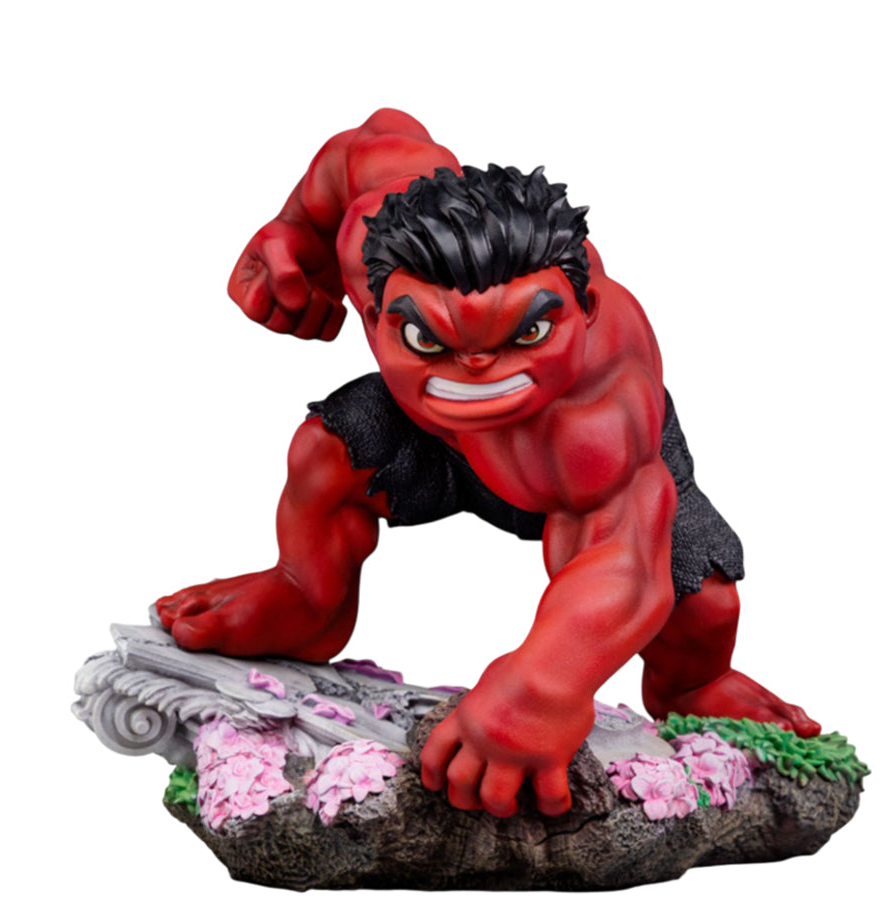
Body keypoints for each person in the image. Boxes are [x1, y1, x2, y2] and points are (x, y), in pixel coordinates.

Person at [157, 109, 818, 819]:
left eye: (526, 332)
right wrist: (293, 232)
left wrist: (539, 690)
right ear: (373, 308)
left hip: (582, 472)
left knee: (702, 601)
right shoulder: (371, 220)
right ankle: (305, 594)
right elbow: (362, 144)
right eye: (430, 339)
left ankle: (692, 686)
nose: (478, 369)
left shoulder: (600, 411)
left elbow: (621, 564)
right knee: (328, 450)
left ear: (585, 308)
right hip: (434, 439)